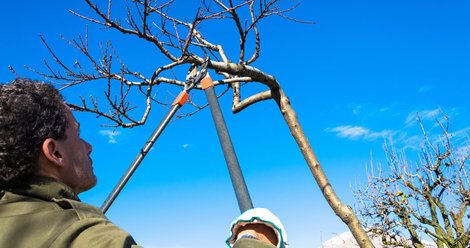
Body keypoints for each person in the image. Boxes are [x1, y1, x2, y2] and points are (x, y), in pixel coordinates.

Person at [0, 78, 287, 248]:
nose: (88, 146)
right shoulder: (85, 238)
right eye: (77, 134)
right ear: (55, 153)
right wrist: (255, 238)